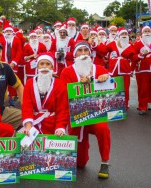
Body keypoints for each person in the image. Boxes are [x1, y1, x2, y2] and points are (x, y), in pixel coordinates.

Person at [60, 40, 111, 179]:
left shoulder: (99, 69)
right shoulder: (67, 72)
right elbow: (63, 96)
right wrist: (79, 84)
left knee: (103, 129)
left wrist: (106, 79)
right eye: (80, 51)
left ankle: (105, 161)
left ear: (90, 53)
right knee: (80, 164)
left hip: (95, 116)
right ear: (74, 54)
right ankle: (82, 154)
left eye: (86, 50)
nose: (83, 54)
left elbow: (112, 87)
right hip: (77, 118)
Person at [22, 53, 69, 136]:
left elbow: (62, 109)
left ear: (52, 67)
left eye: (48, 64)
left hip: (53, 124)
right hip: (34, 123)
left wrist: (60, 128)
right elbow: (27, 106)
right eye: (42, 64)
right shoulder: (29, 84)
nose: (44, 67)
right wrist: (28, 126)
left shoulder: (60, 85)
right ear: (38, 66)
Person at [106, 27, 139, 110]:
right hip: (114, 69)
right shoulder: (113, 43)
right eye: (122, 34)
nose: (124, 35)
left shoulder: (130, 45)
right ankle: (113, 104)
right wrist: (94, 46)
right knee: (113, 87)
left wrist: (140, 56)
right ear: (119, 35)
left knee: (125, 88)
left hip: (125, 69)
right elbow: (103, 50)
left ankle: (125, 104)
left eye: (125, 34)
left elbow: (134, 58)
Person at [132, 26, 151, 115]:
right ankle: (143, 107)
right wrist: (140, 55)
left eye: (148, 31)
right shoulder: (138, 44)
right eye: (145, 31)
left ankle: (149, 104)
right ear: (141, 33)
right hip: (142, 70)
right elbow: (133, 57)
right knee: (143, 89)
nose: (147, 33)